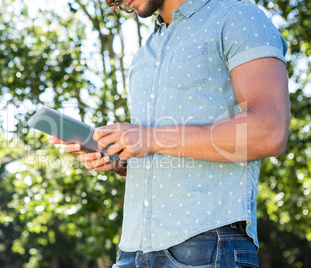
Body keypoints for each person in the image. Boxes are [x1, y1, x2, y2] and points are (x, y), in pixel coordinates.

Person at [49, 0, 289, 266]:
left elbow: (269, 130)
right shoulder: (145, 54)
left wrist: (151, 138)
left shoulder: (237, 16)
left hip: (208, 247)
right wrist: (119, 159)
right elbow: (159, 151)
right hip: (131, 252)